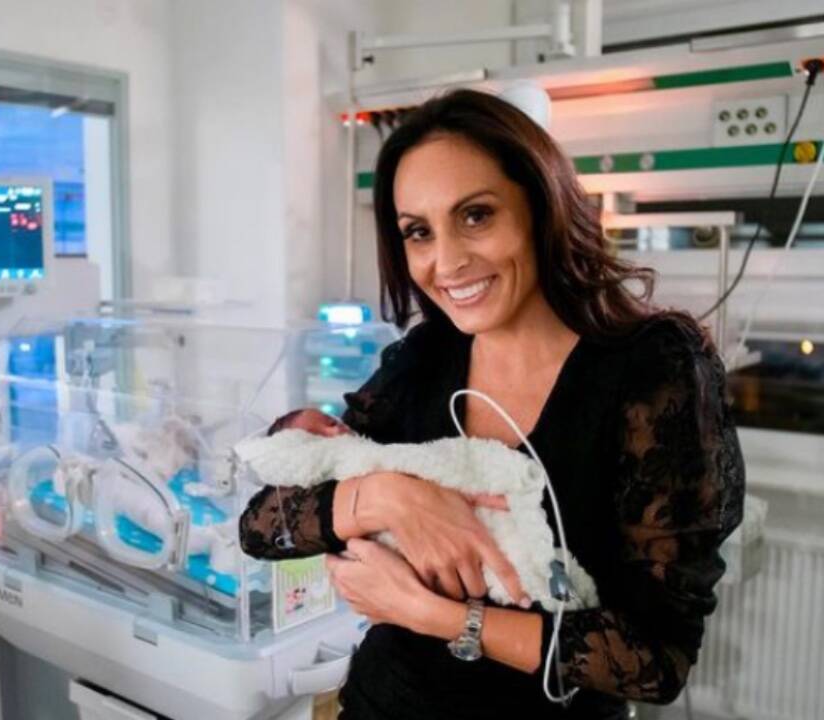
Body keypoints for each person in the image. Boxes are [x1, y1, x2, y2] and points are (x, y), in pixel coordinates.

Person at [238, 88, 744, 719]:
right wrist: (392, 496)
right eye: (418, 232)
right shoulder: (426, 357)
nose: (446, 261)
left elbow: (655, 660)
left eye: (476, 216)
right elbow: (261, 526)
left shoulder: (652, 369)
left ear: (541, 206)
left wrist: (432, 613)